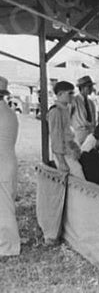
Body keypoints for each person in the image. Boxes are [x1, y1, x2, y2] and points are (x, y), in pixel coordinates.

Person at [0, 76, 20, 256]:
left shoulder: (3, 113)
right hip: (7, 161)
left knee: (4, 207)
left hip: (2, 163)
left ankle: (8, 247)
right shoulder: (8, 112)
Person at [48, 81, 85, 179]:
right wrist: (61, 162)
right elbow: (56, 139)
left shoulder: (65, 109)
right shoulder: (56, 111)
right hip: (63, 155)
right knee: (80, 181)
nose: (72, 96)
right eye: (70, 93)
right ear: (60, 94)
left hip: (69, 152)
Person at [71, 76, 96, 146]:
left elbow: (94, 120)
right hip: (79, 133)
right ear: (82, 88)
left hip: (90, 133)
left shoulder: (91, 103)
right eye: (89, 87)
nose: (91, 89)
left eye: (91, 87)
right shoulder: (74, 101)